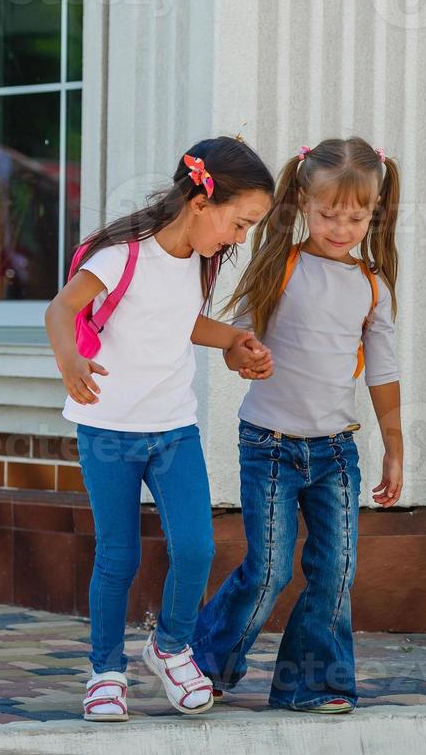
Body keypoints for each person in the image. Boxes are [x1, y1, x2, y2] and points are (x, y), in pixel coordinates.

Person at [44, 137, 276, 722]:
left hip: (173, 429)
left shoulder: (199, 260)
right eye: (240, 223)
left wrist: (234, 341)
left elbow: (179, 322)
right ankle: (105, 671)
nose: (240, 238)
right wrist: (70, 361)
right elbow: (60, 309)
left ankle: (170, 648)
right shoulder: (120, 255)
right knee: (117, 556)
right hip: (108, 431)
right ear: (201, 201)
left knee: (196, 548)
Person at [193, 137, 405, 714]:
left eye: (356, 216)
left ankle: (313, 683)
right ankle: (204, 663)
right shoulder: (280, 266)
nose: (341, 226)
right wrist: (246, 357)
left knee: (335, 573)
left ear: (375, 213)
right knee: (269, 569)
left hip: (337, 452)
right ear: (302, 205)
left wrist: (395, 446)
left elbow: (383, 372)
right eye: (328, 213)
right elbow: (237, 340)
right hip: (270, 445)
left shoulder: (372, 286)